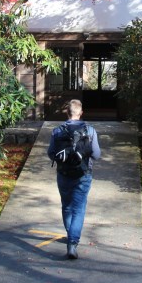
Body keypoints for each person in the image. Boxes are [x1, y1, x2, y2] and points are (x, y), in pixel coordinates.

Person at [47, 99, 101, 259]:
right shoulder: (90, 130)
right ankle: (72, 242)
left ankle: (70, 235)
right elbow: (97, 155)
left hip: (63, 174)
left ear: (67, 112)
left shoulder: (57, 131)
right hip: (83, 175)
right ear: (81, 113)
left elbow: (51, 153)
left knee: (67, 206)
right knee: (79, 208)